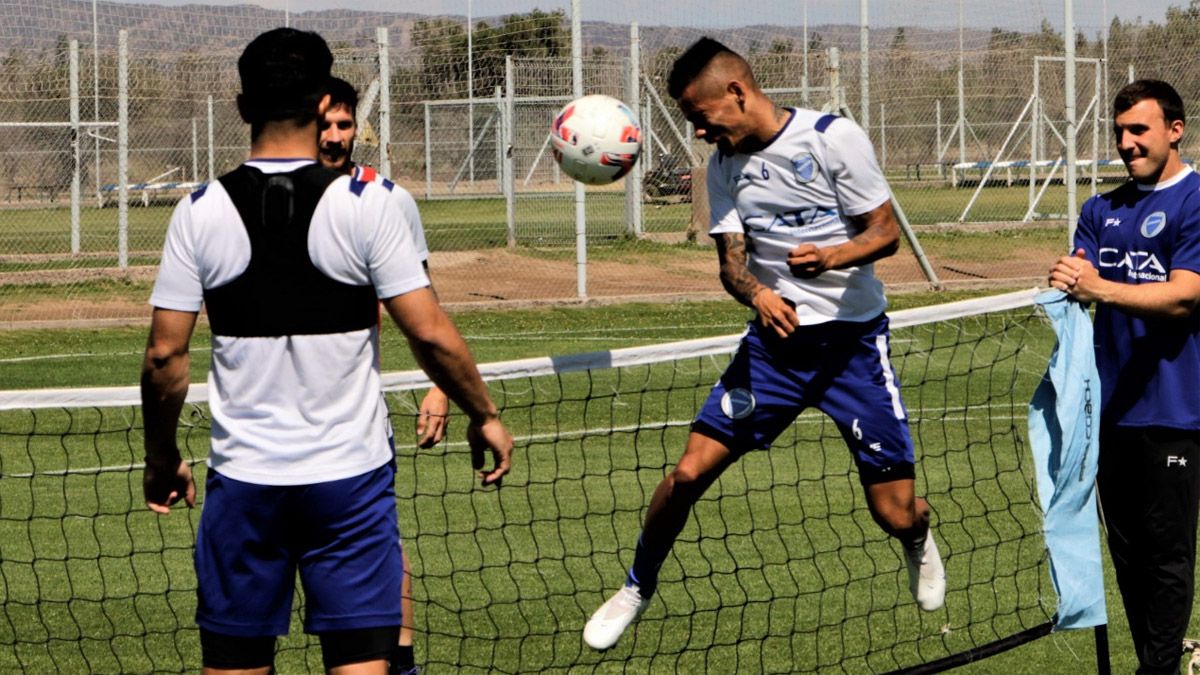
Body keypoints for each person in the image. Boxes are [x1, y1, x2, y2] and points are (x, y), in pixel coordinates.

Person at [140, 27, 513, 675]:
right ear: (321, 105)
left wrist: (161, 455)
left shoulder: (198, 210)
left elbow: (165, 358)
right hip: (349, 483)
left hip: (245, 483)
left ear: (241, 106)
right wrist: (482, 409)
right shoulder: (372, 204)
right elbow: (428, 331)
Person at [583, 37, 945, 651]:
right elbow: (731, 265)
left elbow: (884, 234)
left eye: (700, 116)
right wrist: (759, 296)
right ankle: (636, 587)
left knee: (894, 511)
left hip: (853, 350)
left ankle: (917, 538)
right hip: (774, 356)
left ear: (736, 91)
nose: (697, 132)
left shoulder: (833, 138)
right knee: (688, 473)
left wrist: (833, 255)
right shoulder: (724, 167)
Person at [1049, 79, 1200, 675]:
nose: (1127, 143)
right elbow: (1078, 280)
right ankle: (1154, 662)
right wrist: (1066, 278)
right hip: (1108, 414)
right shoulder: (1099, 209)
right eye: (1119, 132)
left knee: (1168, 554)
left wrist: (1100, 287)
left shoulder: (1194, 201)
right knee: (1128, 552)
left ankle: (1158, 667)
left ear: (1174, 130)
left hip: (1176, 410)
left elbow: (1187, 296)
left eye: (1139, 130)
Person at [318, 75, 445, 675]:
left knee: (382, 549)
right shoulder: (266, 201)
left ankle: (403, 666)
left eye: (346, 125)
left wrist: (441, 386)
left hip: (357, 418)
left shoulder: (390, 200)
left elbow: (424, 308)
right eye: (326, 124)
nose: (336, 137)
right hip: (274, 422)